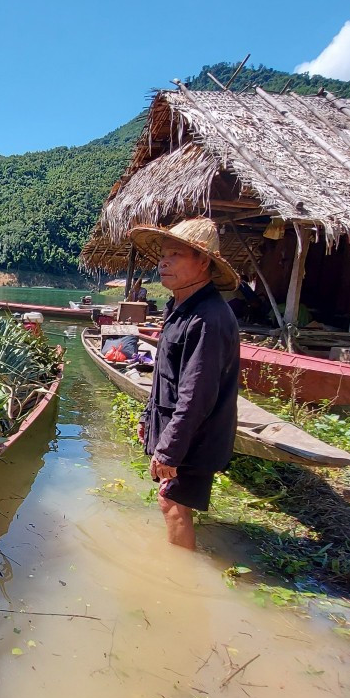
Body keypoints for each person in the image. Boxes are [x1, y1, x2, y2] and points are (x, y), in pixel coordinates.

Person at [129, 217, 240, 550]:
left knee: (172, 505)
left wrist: (169, 449)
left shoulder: (208, 317)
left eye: (176, 254)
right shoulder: (180, 307)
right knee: (172, 500)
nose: (163, 262)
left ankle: (178, 579)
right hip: (179, 428)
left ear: (203, 262)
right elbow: (167, 373)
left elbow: (196, 395)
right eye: (163, 255)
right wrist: (148, 417)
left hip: (196, 434)